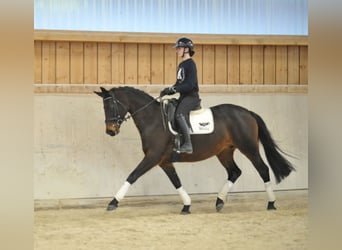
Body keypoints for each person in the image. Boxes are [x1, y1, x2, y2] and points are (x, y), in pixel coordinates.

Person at [160, 37, 201, 154]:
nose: (177, 50)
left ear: (186, 49)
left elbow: (190, 84)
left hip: (192, 97)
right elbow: (179, 84)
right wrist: (168, 90)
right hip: (183, 97)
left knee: (179, 114)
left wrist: (175, 88)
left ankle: (188, 144)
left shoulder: (190, 65)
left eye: (179, 48)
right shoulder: (182, 65)